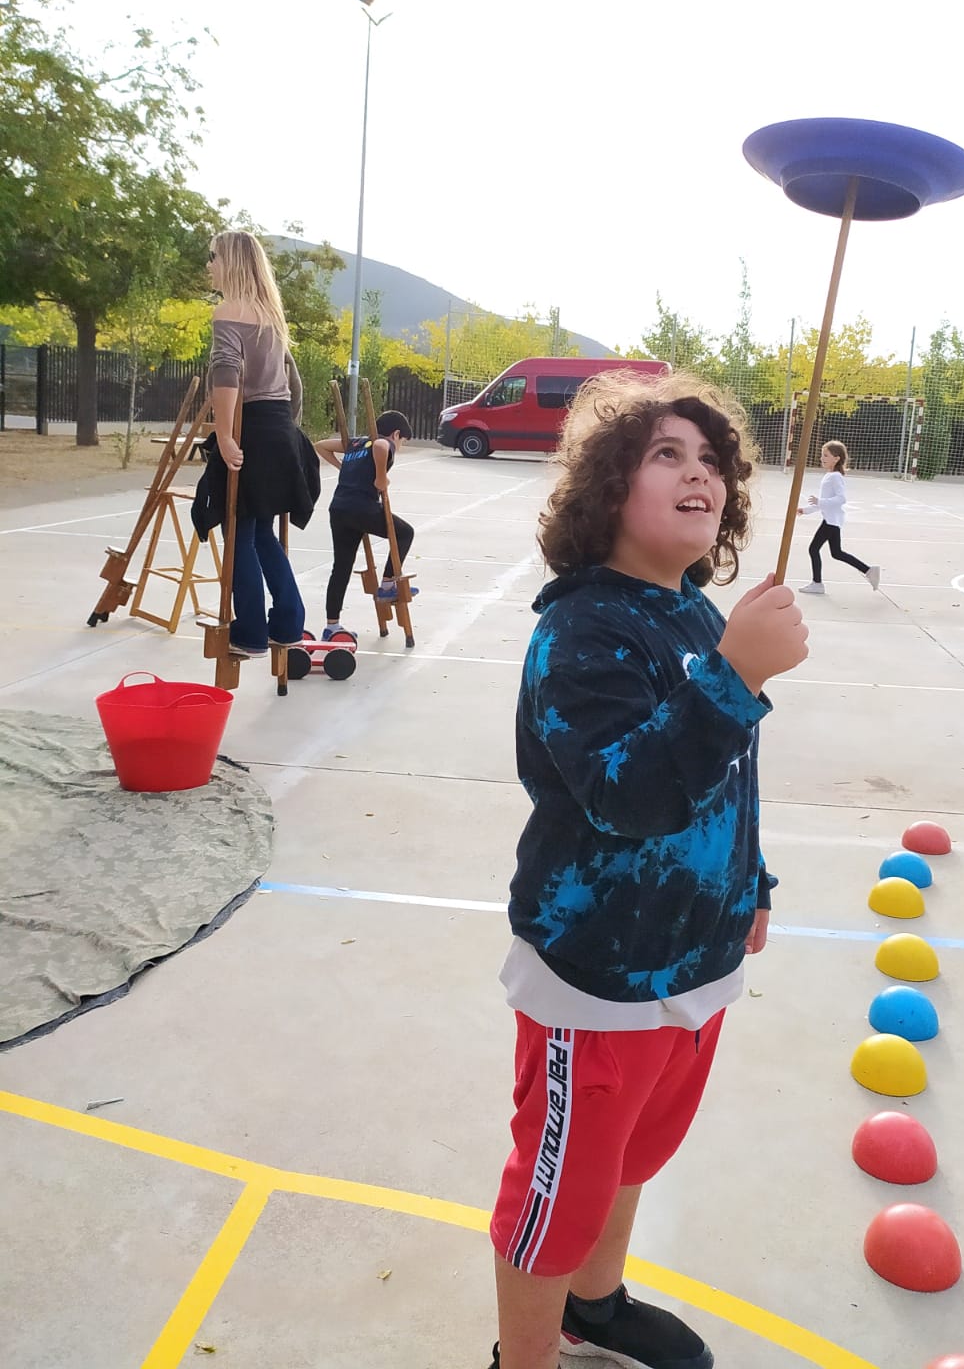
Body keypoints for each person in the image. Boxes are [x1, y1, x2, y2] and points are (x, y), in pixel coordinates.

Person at [486, 370, 809, 1369]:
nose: (698, 472)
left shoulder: (699, 617)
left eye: (711, 459)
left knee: (630, 1157)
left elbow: (727, 780)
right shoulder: (581, 628)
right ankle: (524, 1357)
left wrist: (750, 883)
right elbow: (627, 794)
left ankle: (594, 1304)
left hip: (693, 956)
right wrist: (737, 674)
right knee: (560, 1192)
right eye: (666, 454)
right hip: (598, 975)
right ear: (606, 490)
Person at [193, 230, 320, 658]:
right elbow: (294, 384)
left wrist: (225, 435)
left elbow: (226, 375)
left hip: (252, 428)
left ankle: (248, 632)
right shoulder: (270, 313)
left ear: (230, 261)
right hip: (279, 429)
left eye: (213, 257)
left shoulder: (229, 310)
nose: (209, 265)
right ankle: (288, 623)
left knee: (239, 533)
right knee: (261, 532)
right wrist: (285, 429)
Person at [314, 411, 415, 641]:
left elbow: (321, 446)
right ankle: (388, 583)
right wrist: (381, 477)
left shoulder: (355, 443)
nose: (399, 446)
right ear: (396, 434)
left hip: (339, 508)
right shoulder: (383, 443)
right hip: (362, 507)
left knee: (341, 567)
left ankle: (332, 625)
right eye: (402, 441)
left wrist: (341, 467)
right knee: (405, 533)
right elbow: (381, 445)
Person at [798, 439, 880, 595]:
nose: (822, 458)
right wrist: (805, 510)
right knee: (836, 553)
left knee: (813, 549)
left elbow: (841, 499)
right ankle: (869, 570)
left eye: (826, 455)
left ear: (836, 458)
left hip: (831, 522)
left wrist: (820, 501)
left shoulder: (835, 477)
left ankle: (817, 583)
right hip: (831, 521)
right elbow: (824, 503)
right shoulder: (830, 476)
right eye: (822, 455)